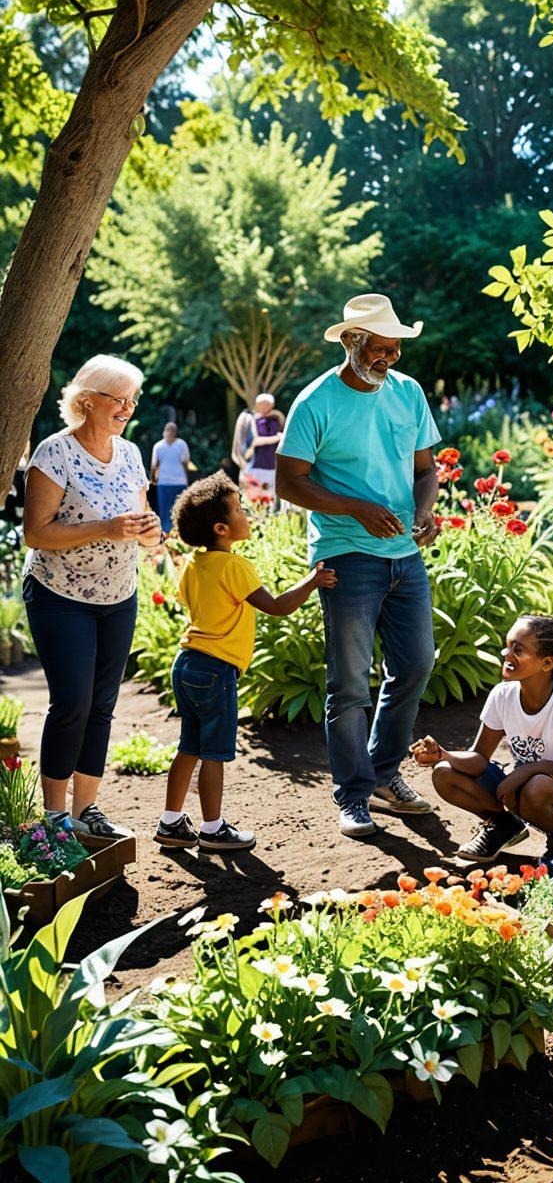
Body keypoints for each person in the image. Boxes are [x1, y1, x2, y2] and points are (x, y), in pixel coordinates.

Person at [276, 293, 441, 838]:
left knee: (416, 665)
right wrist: (357, 508)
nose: (389, 359)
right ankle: (353, 795)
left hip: (404, 553)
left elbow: (425, 469)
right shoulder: (315, 402)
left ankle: (385, 776)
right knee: (349, 683)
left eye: (395, 350)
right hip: (346, 553)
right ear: (351, 342)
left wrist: (423, 511)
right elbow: (288, 481)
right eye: (379, 349)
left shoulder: (408, 393)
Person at [153, 471, 336, 852]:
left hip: (186, 663)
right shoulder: (235, 567)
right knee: (213, 753)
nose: (246, 511)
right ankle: (213, 828)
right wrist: (312, 581)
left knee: (189, 746)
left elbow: (190, 603)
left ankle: (170, 823)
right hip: (216, 669)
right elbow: (277, 607)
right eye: (239, 509)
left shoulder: (192, 564)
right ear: (222, 528)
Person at [22, 355, 161, 838]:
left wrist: (149, 533)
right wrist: (104, 527)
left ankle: (86, 812)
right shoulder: (53, 454)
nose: (127, 408)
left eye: (132, 400)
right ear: (86, 402)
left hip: (119, 594)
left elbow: (142, 525)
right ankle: (56, 816)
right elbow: (36, 533)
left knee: (102, 704)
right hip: (60, 594)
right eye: (118, 399)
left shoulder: (130, 453)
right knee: (72, 702)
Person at [412, 616, 553, 866]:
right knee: (445, 773)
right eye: (508, 645)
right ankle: (502, 825)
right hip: (524, 786)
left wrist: (531, 769)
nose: (507, 654)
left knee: (537, 786)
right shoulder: (503, 695)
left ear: (547, 663)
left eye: (518, 650)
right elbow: (479, 758)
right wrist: (443, 755)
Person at [232, 394, 285, 503]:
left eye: (267, 404)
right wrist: (277, 438)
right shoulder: (251, 420)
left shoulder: (276, 420)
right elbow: (255, 441)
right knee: (253, 498)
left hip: (272, 465)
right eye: (261, 403)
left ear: (272, 405)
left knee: (269, 498)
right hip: (255, 465)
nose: (264, 406)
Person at [150, 421, 190, 532]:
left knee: (169, 510)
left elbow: (154, 466)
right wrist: (187, 480)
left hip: (167, 483)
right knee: (175, 510)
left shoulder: (160, 446)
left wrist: (152, 479)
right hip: (174, 482)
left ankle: (170, 535)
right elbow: (185, 464)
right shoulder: (179, 444)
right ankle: (172, 535)